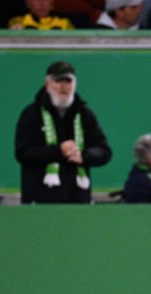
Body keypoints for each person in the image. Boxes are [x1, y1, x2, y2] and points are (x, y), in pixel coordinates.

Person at [14, 61, 112, 204]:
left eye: (68, 81)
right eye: (58, 81)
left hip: (78, 202)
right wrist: (59, 151)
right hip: (40, 202)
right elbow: (23, 153)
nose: (64, 86)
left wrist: (83, 155)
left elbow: (104, 151)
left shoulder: (85, 114)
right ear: (47, 84)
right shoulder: (31, 114)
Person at [8, 0, 73, 26]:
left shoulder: (64, 23)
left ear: (52, 2)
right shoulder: (19, 22)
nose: (42, 3)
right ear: (28, 3)